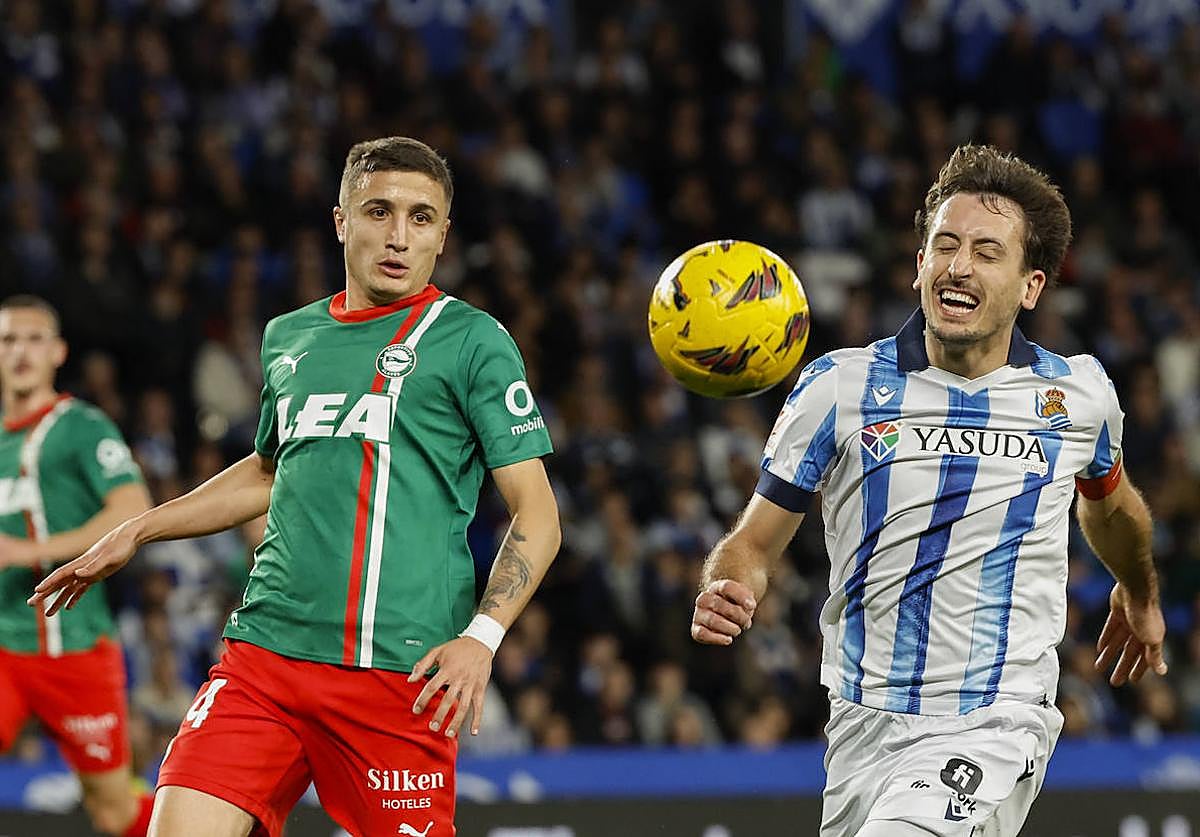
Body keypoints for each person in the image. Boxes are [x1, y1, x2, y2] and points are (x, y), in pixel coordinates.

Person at [31, 136, 562, 837]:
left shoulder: (472, 341)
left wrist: (482, 637)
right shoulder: (290, 337)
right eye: (378, 211)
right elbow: (271, 469)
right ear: (341, 220)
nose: (399, 235)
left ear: (443, 235)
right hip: (266, 659)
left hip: (396, 674)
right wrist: (136, 528)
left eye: (421, 217)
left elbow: (539, 514)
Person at [690, 144, 1168, 836]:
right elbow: (752, 543)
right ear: (919, 265)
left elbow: (1111, 503)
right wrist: (728, 583)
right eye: (943, 245)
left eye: (985, 251)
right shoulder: (839, 387)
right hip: (860, 727)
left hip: (994, 719)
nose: (959, 265)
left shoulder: (1076, 396)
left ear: (1031, 285)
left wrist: (1142, 591)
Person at [0, 295, 155, 836]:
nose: (21, 351)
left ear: (58, 351)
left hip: (76, 649)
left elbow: (132, 509)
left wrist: (29, 552)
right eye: (8, 340)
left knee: (114, 812)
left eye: (34, 339)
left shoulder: (82, 427)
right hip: (4, 649)